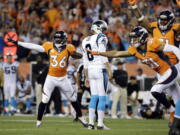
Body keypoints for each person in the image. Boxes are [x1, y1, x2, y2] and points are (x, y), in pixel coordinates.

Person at [87, 26, 180, 127]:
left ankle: (172, 111)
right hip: (162, 74)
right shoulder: (134, 50)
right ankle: (176, 119)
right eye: (132, 38)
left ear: (143, 37)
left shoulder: (152, 43)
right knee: (177, 99)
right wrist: (99, 53)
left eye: (135, 38)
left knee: (155, 90)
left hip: (170, 71)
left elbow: (173, 48)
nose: (133, 40)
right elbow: (117, 53)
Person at [8, 31, 88, 127]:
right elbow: (33, 46)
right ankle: (38, 121)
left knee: (73, 99)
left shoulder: (69, 48)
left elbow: (76, 55)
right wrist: (18, 43)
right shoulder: (50, 46)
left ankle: (81, 118)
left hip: (63, 78)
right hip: (51, 78)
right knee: (45, 99)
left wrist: (80, 55)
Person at [128, 0, 180, 71]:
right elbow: (141, 20)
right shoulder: (154, 27)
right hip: (162, 65)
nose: (162, 22)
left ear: (171, 21)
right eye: (161, 19)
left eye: (165, 20)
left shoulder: (175, 29)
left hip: (176, 63)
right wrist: (134, 7)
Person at [82, 20, 112, 130]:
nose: (104, 31)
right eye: (103, 29)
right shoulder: (101, 37)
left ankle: (90, 124)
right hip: (100, 69)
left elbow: (84, 60)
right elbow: (103, 54)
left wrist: (85, 76)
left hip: (90, 70)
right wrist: (109, 69)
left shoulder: (85, 40)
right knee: (102, 97)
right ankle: (100, 124)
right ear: (98, 28)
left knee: (94, 97)